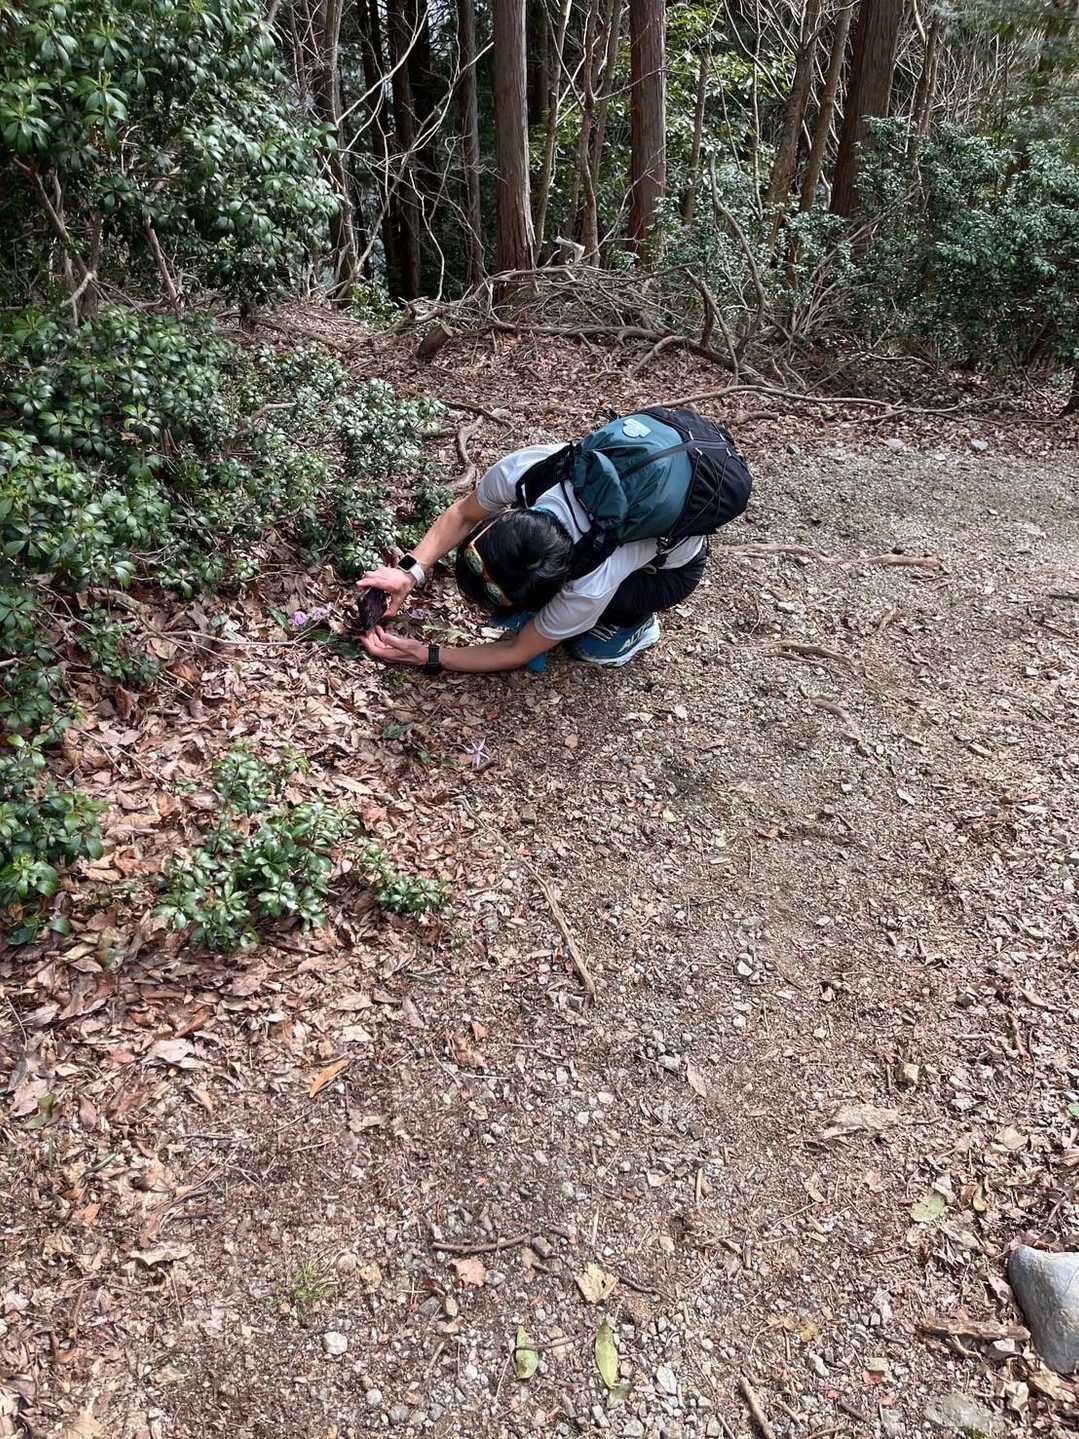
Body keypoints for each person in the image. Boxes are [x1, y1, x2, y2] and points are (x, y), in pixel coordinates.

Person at [358, 409, 748, 676]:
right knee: (549, 623)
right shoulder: (533, 471)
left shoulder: (590, 583)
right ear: (503, 518)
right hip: (657, 473)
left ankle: (634, 627)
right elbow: (463, 514)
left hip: (669, 572)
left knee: (587, 646)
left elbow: (516, 651)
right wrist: (409, 571)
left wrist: (427, 655)